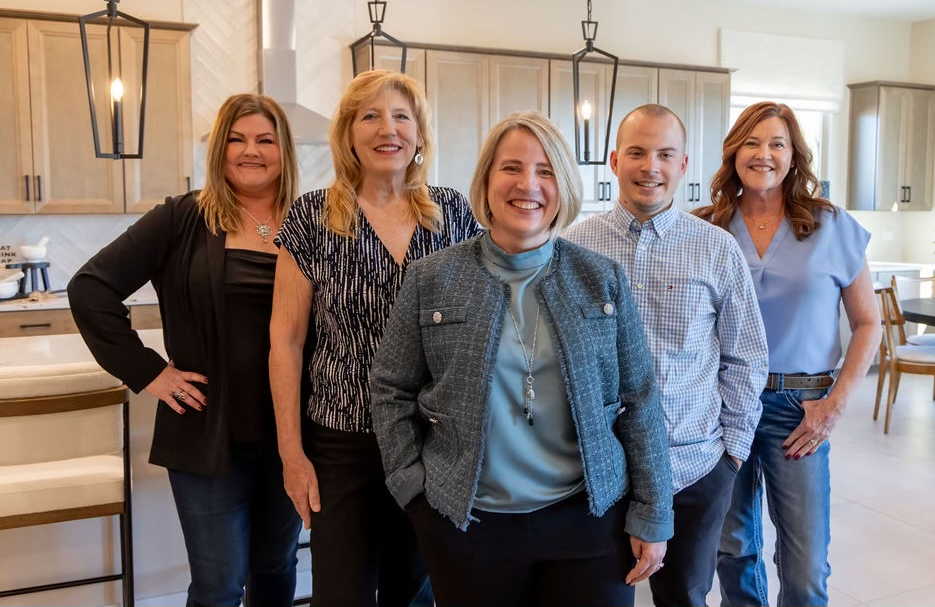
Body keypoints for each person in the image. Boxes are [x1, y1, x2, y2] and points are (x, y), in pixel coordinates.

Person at [369, 110, 674, 607]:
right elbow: (391, 388)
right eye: (511, 167)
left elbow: (640, 400)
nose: (528, 185)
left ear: (563, 186)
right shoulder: (432, 279)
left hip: (589, 523)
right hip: (468, 527)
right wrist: (413, 490)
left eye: (545, 170)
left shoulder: (601, 279)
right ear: (487, 179)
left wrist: (653, 511)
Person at [68, 94, 303, 607]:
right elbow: (90, 288)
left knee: (277, 568)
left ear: (284, 150)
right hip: (205, 428)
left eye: (265, 140)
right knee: (219, 585)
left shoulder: (310, 222)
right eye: (237, 139)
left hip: (291, 430)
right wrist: (150, 372)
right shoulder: (182, 217)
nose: (251, 151)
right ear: (219, 149)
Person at [268, 69, 478, 606]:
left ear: (419, 133)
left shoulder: (453, 213)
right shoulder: (312, 217)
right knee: (342, 593)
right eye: (370, 116)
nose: (389, 129)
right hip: (343, 440)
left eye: (402, 116)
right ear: (348, 134)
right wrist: (292, 453)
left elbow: (483, 324)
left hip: (432, 438)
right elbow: (286, 341)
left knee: (418, 592)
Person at [564, 104, 768, 607]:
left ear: (683, 165)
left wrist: (731, 456)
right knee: (597, 599)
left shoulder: (717, 249)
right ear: (615, 161)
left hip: (694, 467)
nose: (650, 166)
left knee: (683, 598)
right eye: (637, 152)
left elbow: (746, 356)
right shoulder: (573, 247)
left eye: (664, 154)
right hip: (600, 472)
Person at [694, 101, 881, 607]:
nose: (764, 154)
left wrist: (835, 404)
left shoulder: (831, 225)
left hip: (801, 408)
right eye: (751, 143)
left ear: (794, 155)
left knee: (804, 564)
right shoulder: (706, 227)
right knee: (732, 549)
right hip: (723, 404)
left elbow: (869, 323)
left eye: (777, 143)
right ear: (733, 154)